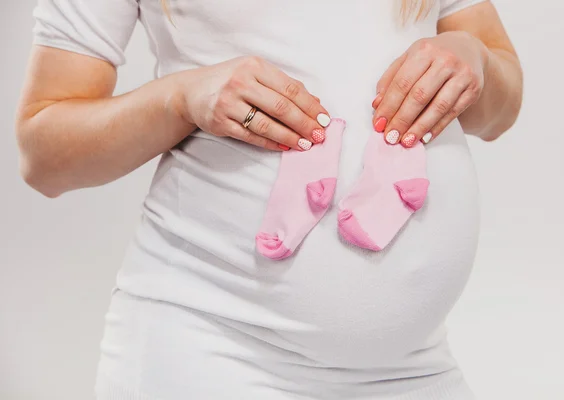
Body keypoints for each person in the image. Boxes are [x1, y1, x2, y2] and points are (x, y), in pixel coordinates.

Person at [16, 0, 523, 398]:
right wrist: (180, 98)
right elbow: (45, 157)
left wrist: (471, 57)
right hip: (209, 354)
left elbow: (499, 115)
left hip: (412, 367)